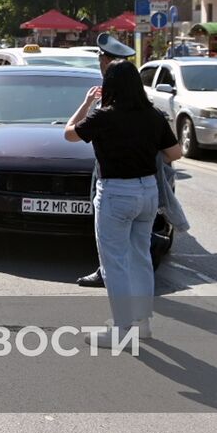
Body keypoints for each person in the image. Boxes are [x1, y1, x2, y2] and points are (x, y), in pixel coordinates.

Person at [65, 59, 182, 337]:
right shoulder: (153, 115)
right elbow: (175, 153)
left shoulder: (104, 116)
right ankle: (143, 325)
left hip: (116, 193)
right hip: (148, 192)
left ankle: (121, 329)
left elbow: (69, 133)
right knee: (140, 257)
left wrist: (85, 104)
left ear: (109, 86)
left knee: (114, 261)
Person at [76, 32, 136, 288]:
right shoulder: (123, 92)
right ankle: (109, 272)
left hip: (117, 181)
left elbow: (73, 132)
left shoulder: (114, 97)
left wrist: (86, 105)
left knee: (114, 239)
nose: (99, 62)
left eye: (102, 58)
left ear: (109, 62)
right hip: (126, 180)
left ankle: (113, 278)